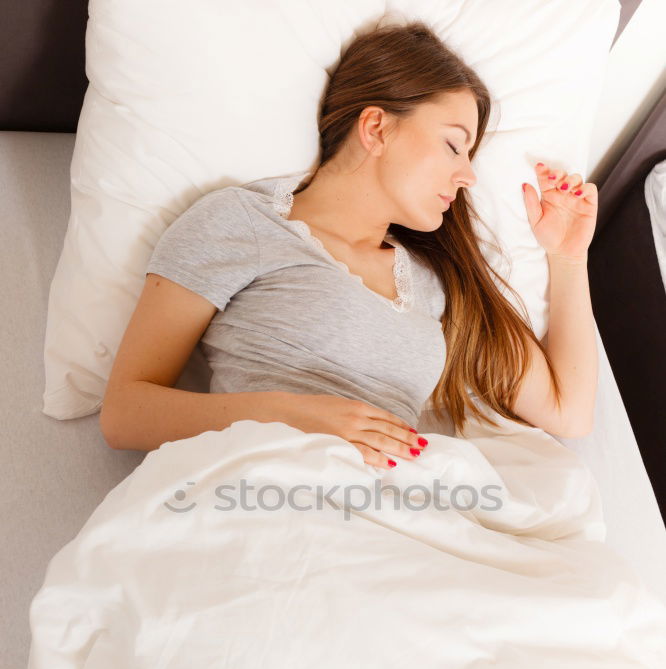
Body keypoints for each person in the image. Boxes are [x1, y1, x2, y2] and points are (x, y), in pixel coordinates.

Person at [100, 19, 597, 468]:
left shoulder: (437, 282)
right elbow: (125, 414)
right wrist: (287, 417)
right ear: (376, 127)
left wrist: (569, 256)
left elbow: (569, 413)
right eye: (453, 144)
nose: (467, 175)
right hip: (260, 492)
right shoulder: (241, 223)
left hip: (386, 514)